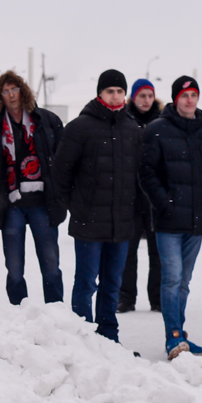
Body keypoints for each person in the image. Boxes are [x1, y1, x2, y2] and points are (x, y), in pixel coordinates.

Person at [54, 70, 141, 343]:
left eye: (119, 91)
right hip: (88, 222)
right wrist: (78, 208)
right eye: (110, 91)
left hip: (121, 224)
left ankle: (108, 338)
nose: (115, 96)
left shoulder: (132, 129)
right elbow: (60, 174)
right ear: (100, 94)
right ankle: (83, 338)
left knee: (112, 284)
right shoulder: (80, 127)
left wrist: (133, 212)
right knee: (86, 284)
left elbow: (139, 176)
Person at [139, 75, 202, 359]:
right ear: (175, 99)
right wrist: (164, 204)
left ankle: (180, 333)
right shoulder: (157, 129)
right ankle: (173, 337)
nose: (189, 100)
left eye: (193, 95)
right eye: (184, 95)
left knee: (184, 281)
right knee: (172, 279)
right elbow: (146, 172)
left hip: (197, 219)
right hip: (168, 220)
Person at [0, 70, 65, 305]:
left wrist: (60, 192)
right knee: (14, 268)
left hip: (43, 203)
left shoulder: (46, 121)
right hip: (11, 205)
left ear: (23, 91)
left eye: (14, 89)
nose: (11, 95)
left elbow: (63, 159)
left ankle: (56, 314)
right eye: (5, 91)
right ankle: (19, 313)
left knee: (51, 265)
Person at [118, 78, 163, 314]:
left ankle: (157, 298)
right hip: (130, 197)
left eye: (149, 95)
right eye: (141, 96)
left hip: (155, 198)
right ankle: (126, 297)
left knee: (158, 252)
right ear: (133, 98)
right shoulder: (124, 121)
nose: (146, 100)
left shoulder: (163, 122)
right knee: (127, 251)